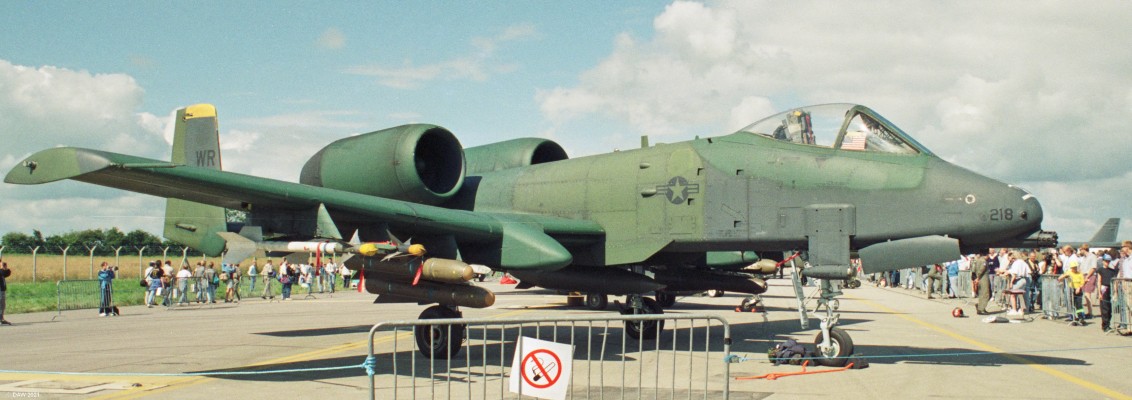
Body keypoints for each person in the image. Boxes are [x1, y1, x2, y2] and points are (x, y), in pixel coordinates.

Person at [1057, 261, 1087, 326]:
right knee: (1071, 304)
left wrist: (1079, 288)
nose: (1075, 269)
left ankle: (1081, 318)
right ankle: (1073, 318)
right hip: (1071, 290)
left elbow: (1082, 282)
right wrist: (1062, 277)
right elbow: (1061, 277)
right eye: (1073, 267)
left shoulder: (1080, 274)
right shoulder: (1069, 272)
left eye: (1075, 267)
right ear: (1071, 268)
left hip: (1078, 290)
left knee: (1079, 305)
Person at [1097, 252, 1119, 333]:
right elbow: (1099, 281)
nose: (1107, 262)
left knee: (1110, 308)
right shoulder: (1100, 270)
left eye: (1108, 261)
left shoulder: (1112, 271)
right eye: (1106, 261)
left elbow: (1115, 282)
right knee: (1104, 308)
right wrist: (1099, 293)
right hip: (1104, 289)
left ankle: (1108, 323)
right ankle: (1105, 325)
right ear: (1103, 261)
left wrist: (1115, 292)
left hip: (1110, 288)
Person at [1, 261, 12, 325]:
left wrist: (5, 268)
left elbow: (7, 273)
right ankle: (1, 319)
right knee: (1, 305)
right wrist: (3, 268)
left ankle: (1, 319)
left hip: (2, 289)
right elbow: (3, 273)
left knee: (2, 305)